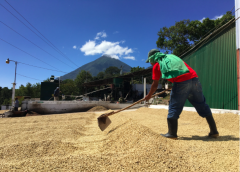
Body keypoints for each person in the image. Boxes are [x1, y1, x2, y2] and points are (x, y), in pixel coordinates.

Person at [144, 49, 219, 140]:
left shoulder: (157, 65)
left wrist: (149, 96)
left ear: (152, 58)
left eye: (150, 61)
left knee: (174, 106)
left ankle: (172, 133)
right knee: (202, 105)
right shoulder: (172, 57)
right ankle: (214, 131)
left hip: (181, 82)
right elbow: (183, 70)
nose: (150, 63)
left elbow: (155, 85)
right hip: (195, 80)